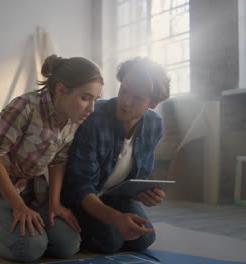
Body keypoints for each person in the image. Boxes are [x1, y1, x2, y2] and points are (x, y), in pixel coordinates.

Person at [0, 54, 103, 262]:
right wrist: (18, 207)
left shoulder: (73, 119)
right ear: (61, 89)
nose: (92, 108)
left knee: (68, 244)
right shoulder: (23, 108)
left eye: (95, 100)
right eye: (85, 98)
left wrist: (54, 204)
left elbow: (58, 161)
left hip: (34, 194)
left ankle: (18, 230)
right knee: (30, 248)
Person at [62, 57, 170, 254]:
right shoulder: (94, 119)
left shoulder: (154, 125)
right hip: (84, 199)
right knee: (110, 241)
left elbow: (137, 177)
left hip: (115, 197)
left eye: (137, 98)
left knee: (144, 237)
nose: (126, 102)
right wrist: (115, 219)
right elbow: (79, 187)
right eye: (124, 90)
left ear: (152, 103)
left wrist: (146, 194)